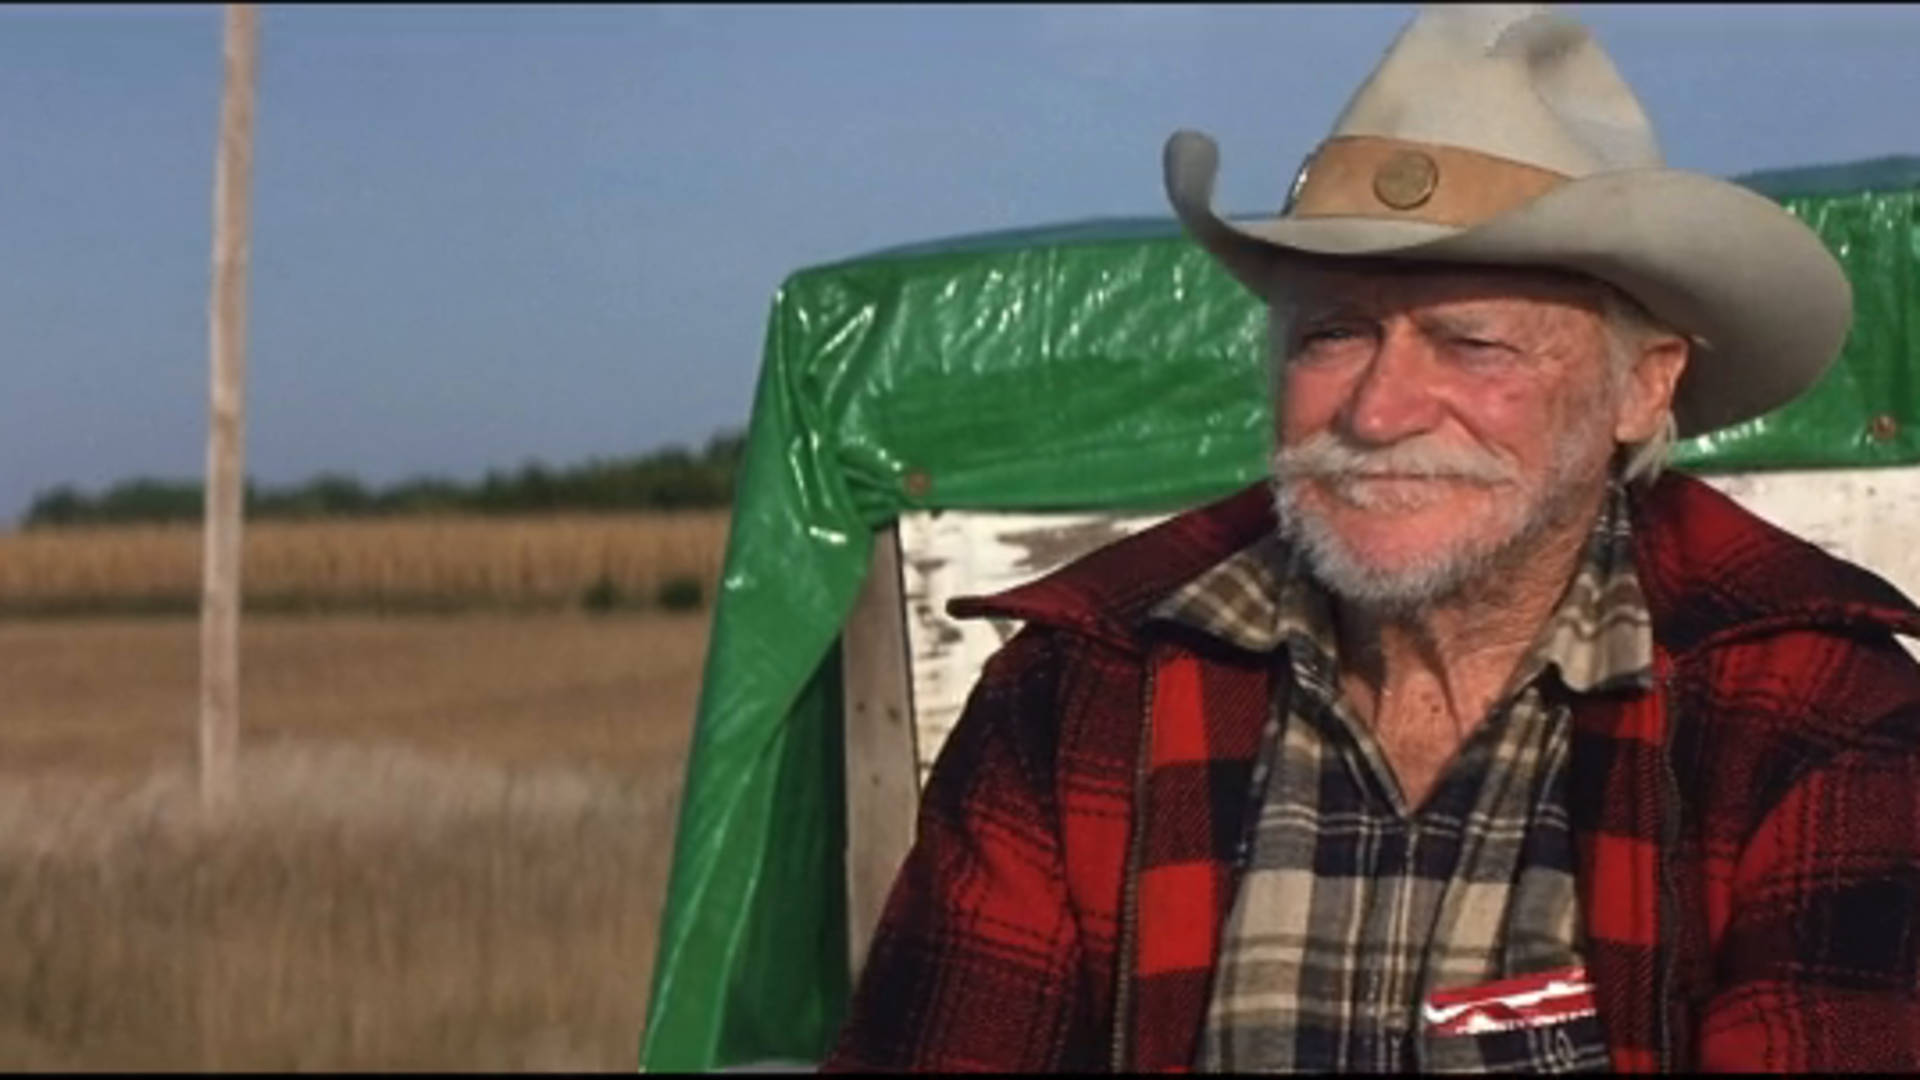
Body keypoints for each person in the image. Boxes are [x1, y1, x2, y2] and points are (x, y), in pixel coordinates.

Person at [824, 4, 1920, 1072]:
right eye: (1334, 334)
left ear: (1642, 384)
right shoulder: (1079, 696)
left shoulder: (1814, 713)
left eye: (1472, 342)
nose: (1379, 411)